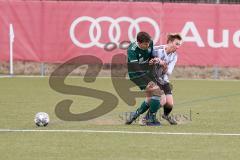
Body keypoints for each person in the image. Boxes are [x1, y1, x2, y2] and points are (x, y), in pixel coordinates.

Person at [125, 31, 163, 126]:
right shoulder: (132, 49)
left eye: (148, 43)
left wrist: (152, 60)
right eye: (145, 44)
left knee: (151, 97)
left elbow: (151, 55)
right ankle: (150, 119)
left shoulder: (150, 42)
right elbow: (136, 68)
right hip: (136, 74)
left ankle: (135, 115)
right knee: (157, 92)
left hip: (147, 72)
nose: (148, 45)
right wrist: (148, 80)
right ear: (139, 42)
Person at [151, 33, 183, 125]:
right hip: (152, 78)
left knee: (170, 104)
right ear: (169, 42)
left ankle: (165, 115)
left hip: (163, 79)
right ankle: (147, 117)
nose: (178, 47)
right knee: (161, 100)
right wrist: (154, 61)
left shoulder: (174, 56)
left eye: (179, 45)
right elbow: (146, 60)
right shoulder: (156, 50)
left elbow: (168, 72)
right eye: (176, 44)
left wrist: (163, 65)